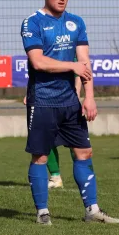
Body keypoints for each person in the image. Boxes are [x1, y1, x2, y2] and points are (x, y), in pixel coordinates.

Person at [21, 0, 119, 225]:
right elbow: (38, 61)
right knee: (41, 156)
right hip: (42, 100)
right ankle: (42, 213)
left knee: (84, 152)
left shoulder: (77, 22)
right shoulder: (32, 22)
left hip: (69, 102)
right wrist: (72, 67)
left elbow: (85, 62)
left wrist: (89, 97)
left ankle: (92, 211)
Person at [22, 61, 82, 189]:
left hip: (67, 101)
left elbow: (79, 70)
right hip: (44, 100)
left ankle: (83, 177)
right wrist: (30, 93)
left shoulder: (67, 45)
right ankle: (55, 177)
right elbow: (35, 72)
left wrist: (77, 90)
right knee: (47, 141)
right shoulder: (38, 50)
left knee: (76, 144)